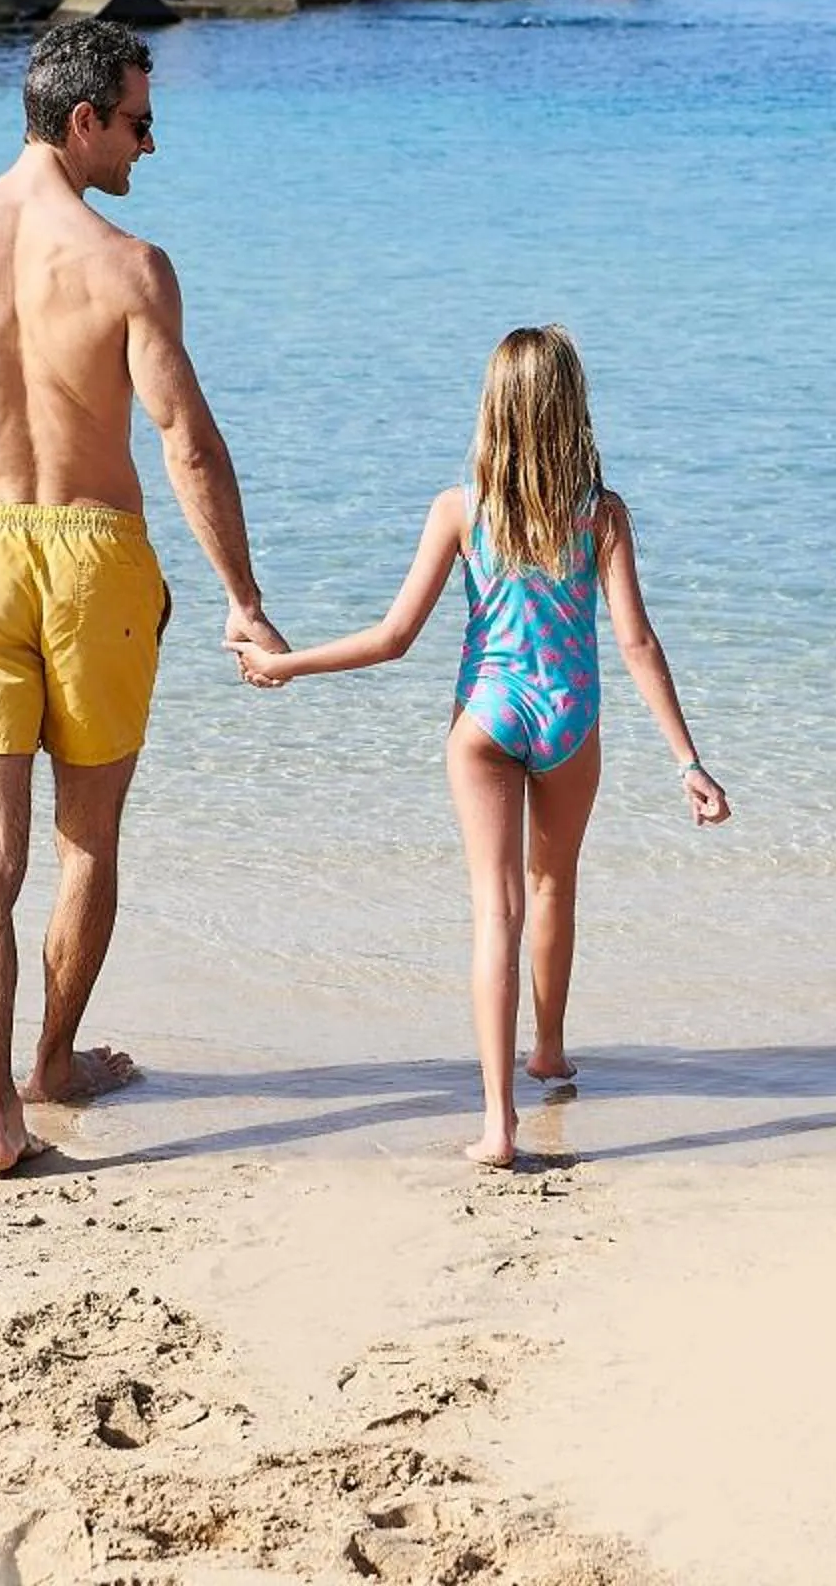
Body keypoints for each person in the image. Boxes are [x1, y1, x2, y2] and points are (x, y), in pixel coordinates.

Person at [0, 20, 287, 1174]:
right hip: (97, 553)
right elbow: (186, 444)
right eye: (141, 122)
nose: (152, 147)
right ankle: (51, 1061)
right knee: (85, 842)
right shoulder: (129, 265)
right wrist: (243, 597)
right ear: (83, 119)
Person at [230, 325, 732, 1167]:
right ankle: (551, 1051)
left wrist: (287, 665)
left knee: (494, 910)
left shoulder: (461, 509)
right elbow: (637, 642)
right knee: (553, 887)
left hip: (488, 719)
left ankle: (498, 1124)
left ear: (493, 408)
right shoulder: (601, 517)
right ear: (573, 408)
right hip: (571, 720)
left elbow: (394, 637)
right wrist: (688, 760)